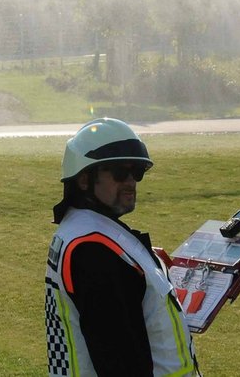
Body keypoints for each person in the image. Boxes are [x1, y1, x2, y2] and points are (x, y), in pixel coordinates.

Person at [44, 118, 199, 376]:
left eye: (136, 172)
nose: (130, 182)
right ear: (84, 180)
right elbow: (118, 359)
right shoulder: (93, 250)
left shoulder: (87, 231)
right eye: (119, 172)